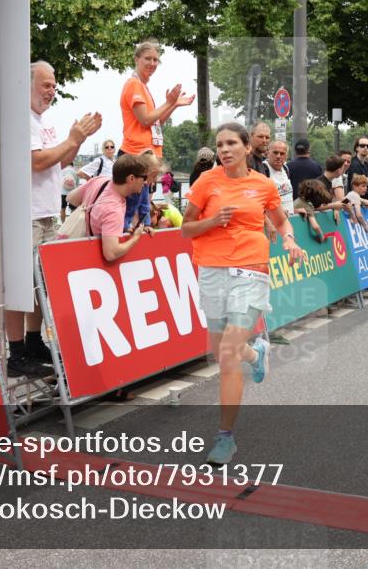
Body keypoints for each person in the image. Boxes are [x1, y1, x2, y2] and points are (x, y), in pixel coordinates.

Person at [181, 123, 305, 465]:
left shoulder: (263, 184)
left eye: (231, 143)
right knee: (225, 354)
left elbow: (281, 221)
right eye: (220, 144)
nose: (224, 149)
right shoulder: (206, 182)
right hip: (212, 271)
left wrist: (290, 240)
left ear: (247, 147)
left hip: (251, 269)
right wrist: (211, 221)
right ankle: (256, 353)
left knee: (227, 352)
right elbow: (186, 228)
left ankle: (225, 438)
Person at [5, 60, 102, 378]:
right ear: (28, 84)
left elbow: (59, 161)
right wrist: (72, 139)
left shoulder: (42, 120)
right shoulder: (20, 118)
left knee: (39, 284)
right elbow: (36, 162)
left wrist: (79, 139)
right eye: (46, 84)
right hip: (27, 214)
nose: (52, 90)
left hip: (46, 212)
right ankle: (15, 353)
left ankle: (33, 342)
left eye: (54, 85)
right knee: (19, 284)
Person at [119, 39, 195, 158]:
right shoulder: (134, 84)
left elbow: (157, 121)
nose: (152, 63)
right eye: (148, 58)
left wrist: (173, 104)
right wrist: (168, 103)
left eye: (155, 60)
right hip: (136, 154)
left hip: (148, 154)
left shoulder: (143, 87)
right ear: (136, 59)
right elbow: (145, 120)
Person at [66, 154, 150, 261]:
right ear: (131, 178)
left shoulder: (100, 180)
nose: (146, 182)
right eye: (144, 177)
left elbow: (70, 198)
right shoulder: (113, 210)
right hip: (91, 259)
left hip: (77, 249)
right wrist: (135, 238)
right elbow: (111, 254)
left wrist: (91, 211)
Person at [124, 151, 160, 234]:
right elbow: (120, 210)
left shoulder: (145, 187)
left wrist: (146, 224)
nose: (155, 180)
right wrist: (125, 226)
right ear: (144, 173)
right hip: (118, 224)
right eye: (154, 176)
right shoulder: (129, 187)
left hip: (128, 222)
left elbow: (145, 206)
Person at [264, 140, 293, 216]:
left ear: (286, 156)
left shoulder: (286, 168)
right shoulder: (264, 170)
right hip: (273, 220)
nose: (278, 156)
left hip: (289, 218)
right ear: (267, 153)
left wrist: (295, 210)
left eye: (282, 153)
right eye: (275, 153)